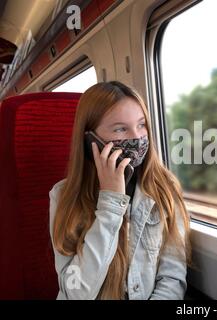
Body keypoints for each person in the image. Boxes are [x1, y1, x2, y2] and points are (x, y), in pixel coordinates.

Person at [49, 81, 191, 300]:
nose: (137, 137)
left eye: (141, 125)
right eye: (120, 129)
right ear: (91, 141)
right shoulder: (63, 196)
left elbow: (172, 278)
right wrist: (111, 204)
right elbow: (75, 293)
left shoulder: (164, 188)